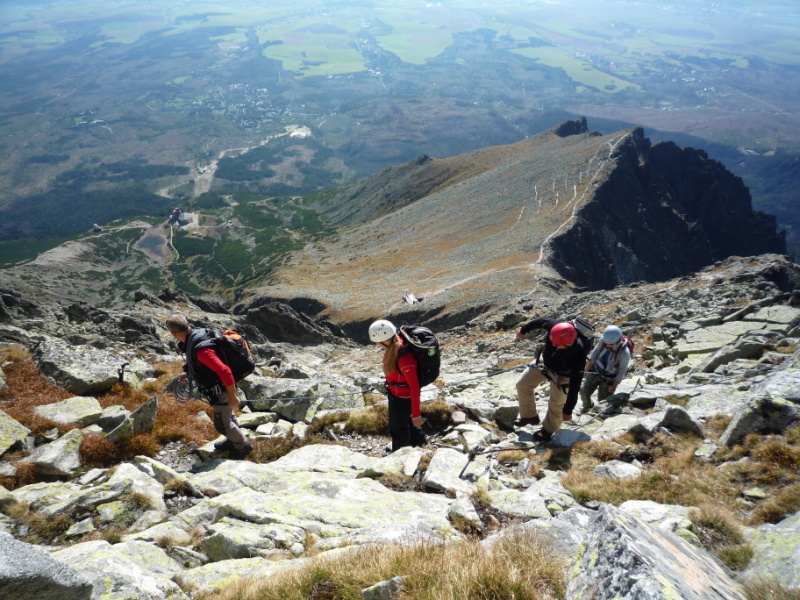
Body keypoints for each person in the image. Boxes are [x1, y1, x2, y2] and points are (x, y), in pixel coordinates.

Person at [165, 314, 253, 459]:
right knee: (227, 415)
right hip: (220, 385)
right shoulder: (196, 336)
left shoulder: (201, 350)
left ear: (173, 333)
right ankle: (234, 440)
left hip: (222, 388)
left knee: (222, 424)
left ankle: (243, 446)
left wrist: (233, 397)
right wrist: (188, 374)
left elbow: (224, 371)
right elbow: (205, 366)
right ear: (187, 324)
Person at [513, 318, 588, 442]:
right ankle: (529, 416)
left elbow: (575, 384)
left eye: (558, 345)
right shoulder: (554, 326)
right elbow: (538, 322)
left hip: (563, 375)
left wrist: (568, 410)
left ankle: (548, 430)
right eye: (552, 341)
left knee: (556, 403)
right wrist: (523, 331)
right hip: (544, 364)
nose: (553, 345)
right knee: (522, 384)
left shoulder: (579, 353)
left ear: (570, 343)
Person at [369, 319, 427, 452]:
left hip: (403, 397)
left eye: (378, 342)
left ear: (383, 340)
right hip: (395, 394)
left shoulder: (404, 357)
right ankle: (419, 447)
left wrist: (416, 414)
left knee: (399, 428)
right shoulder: (394, 346)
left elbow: (414, 386)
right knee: (410, 425)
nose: (378, 345)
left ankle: (400, 455)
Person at [580, 325, 632, 412]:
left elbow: (621, 372)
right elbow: (595, 353)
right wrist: (587, 367)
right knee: (584, 392)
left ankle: (600, 415)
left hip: (609, 378)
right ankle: (588, 406)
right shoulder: (603, 340)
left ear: (618, 340)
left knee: (603, 402)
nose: (609, 346)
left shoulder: (624, 353)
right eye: (608, 344)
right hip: (597, 370)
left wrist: (614, 385)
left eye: (611, 345)